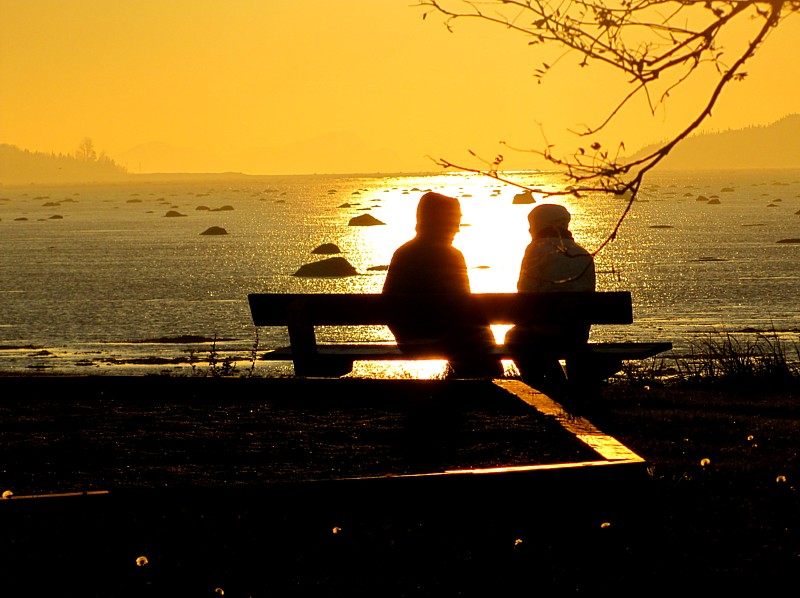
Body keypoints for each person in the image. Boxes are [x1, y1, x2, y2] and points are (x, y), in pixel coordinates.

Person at [382, 192, 502, 377]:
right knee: (480, 336)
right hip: (441, 339)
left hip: (408, 340)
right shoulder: (451, 255)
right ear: (440, 221)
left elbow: (387, 305)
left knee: (476, 333)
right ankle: (495, 386)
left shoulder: (402, 253)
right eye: (455, 221)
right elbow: (462, 305)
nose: (458, 229)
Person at [504, 203, 596, 398]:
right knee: (541, 340)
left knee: (513, 338)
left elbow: (525, 292)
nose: (529, 230)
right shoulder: (584, 253)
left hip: (542, 333)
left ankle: (543, 389)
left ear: (539, 225)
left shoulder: (534, 251)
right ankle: (560, 389)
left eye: (532, 225)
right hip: (576, 335)